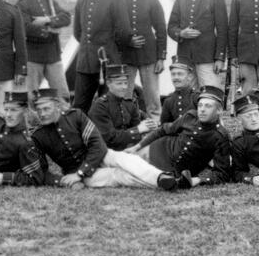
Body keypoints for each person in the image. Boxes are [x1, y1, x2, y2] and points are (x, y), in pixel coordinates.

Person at [31, 89, 180, 191]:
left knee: (124, 159)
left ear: (58, 106)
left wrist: (80, 173)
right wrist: (64, 181)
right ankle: (168, 182)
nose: (42, 114)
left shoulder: (75, 116)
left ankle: (161, 176)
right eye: (38, 110)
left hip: (99, 156)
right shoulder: (38, 136)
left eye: (46, 109)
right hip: (82, 174)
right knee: (119, 176)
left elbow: (97, 145)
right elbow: (40, 172)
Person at [128, 86, 233, 187]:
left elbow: (222, 173)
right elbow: (163, 129)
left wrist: (197, 180)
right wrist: (137, 147)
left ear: (219, 110)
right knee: (126, 161)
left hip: (172, 172)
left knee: (134, 175)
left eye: (208, 106)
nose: (202, 109)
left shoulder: (220, 136)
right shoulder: (190, 116)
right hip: (158, 149)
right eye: (200, 105)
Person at [71, 0, 129, 114]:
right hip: (85, 63)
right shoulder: (82, 0)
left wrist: (111, 50)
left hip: (108, 63)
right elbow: (77, 32)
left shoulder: (114, 0)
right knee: (79, 106)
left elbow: (124, 33)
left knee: (108, 107)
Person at [166, 0, 228, 90]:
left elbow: (223, 31)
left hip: (207, 58)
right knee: (186, 96)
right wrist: (181, 33)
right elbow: (171, 27)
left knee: (210, 95)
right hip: (185, 58)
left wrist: (220, 58)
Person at [119, 0, 167, 120]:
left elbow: (161, 30)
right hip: (126, 56)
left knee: (152, 97)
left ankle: (155, 126)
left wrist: (161, 57)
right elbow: (113, 30)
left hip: (148, 56)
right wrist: (127, 41)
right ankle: (125, 125)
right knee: (124, 95)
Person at [15, 0, 72, 100]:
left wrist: (47, 20)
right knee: (31, 96)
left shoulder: (50, 1)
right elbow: (25, 27)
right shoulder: (22, 4)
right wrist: (49, 30)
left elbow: (66, 17)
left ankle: (64, 114)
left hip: (53, 56)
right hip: (33, 57)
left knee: (62, 94)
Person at [88, 64, 157, 151]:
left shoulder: (129, 103)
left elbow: (137, 127)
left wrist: (148, 126)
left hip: (128, 149)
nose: (124, 87)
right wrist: (138, 130)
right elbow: (110, 138)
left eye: (125, 83)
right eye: (119, 83)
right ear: (108, 83)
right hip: (106, 151)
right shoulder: (100, 106)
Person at [160, 57, 200, 123]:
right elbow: (164, 126)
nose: (176, 77)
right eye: (173, 74)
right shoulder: (168, 101)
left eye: (180, 74)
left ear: (189, 77)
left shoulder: (196, 98)